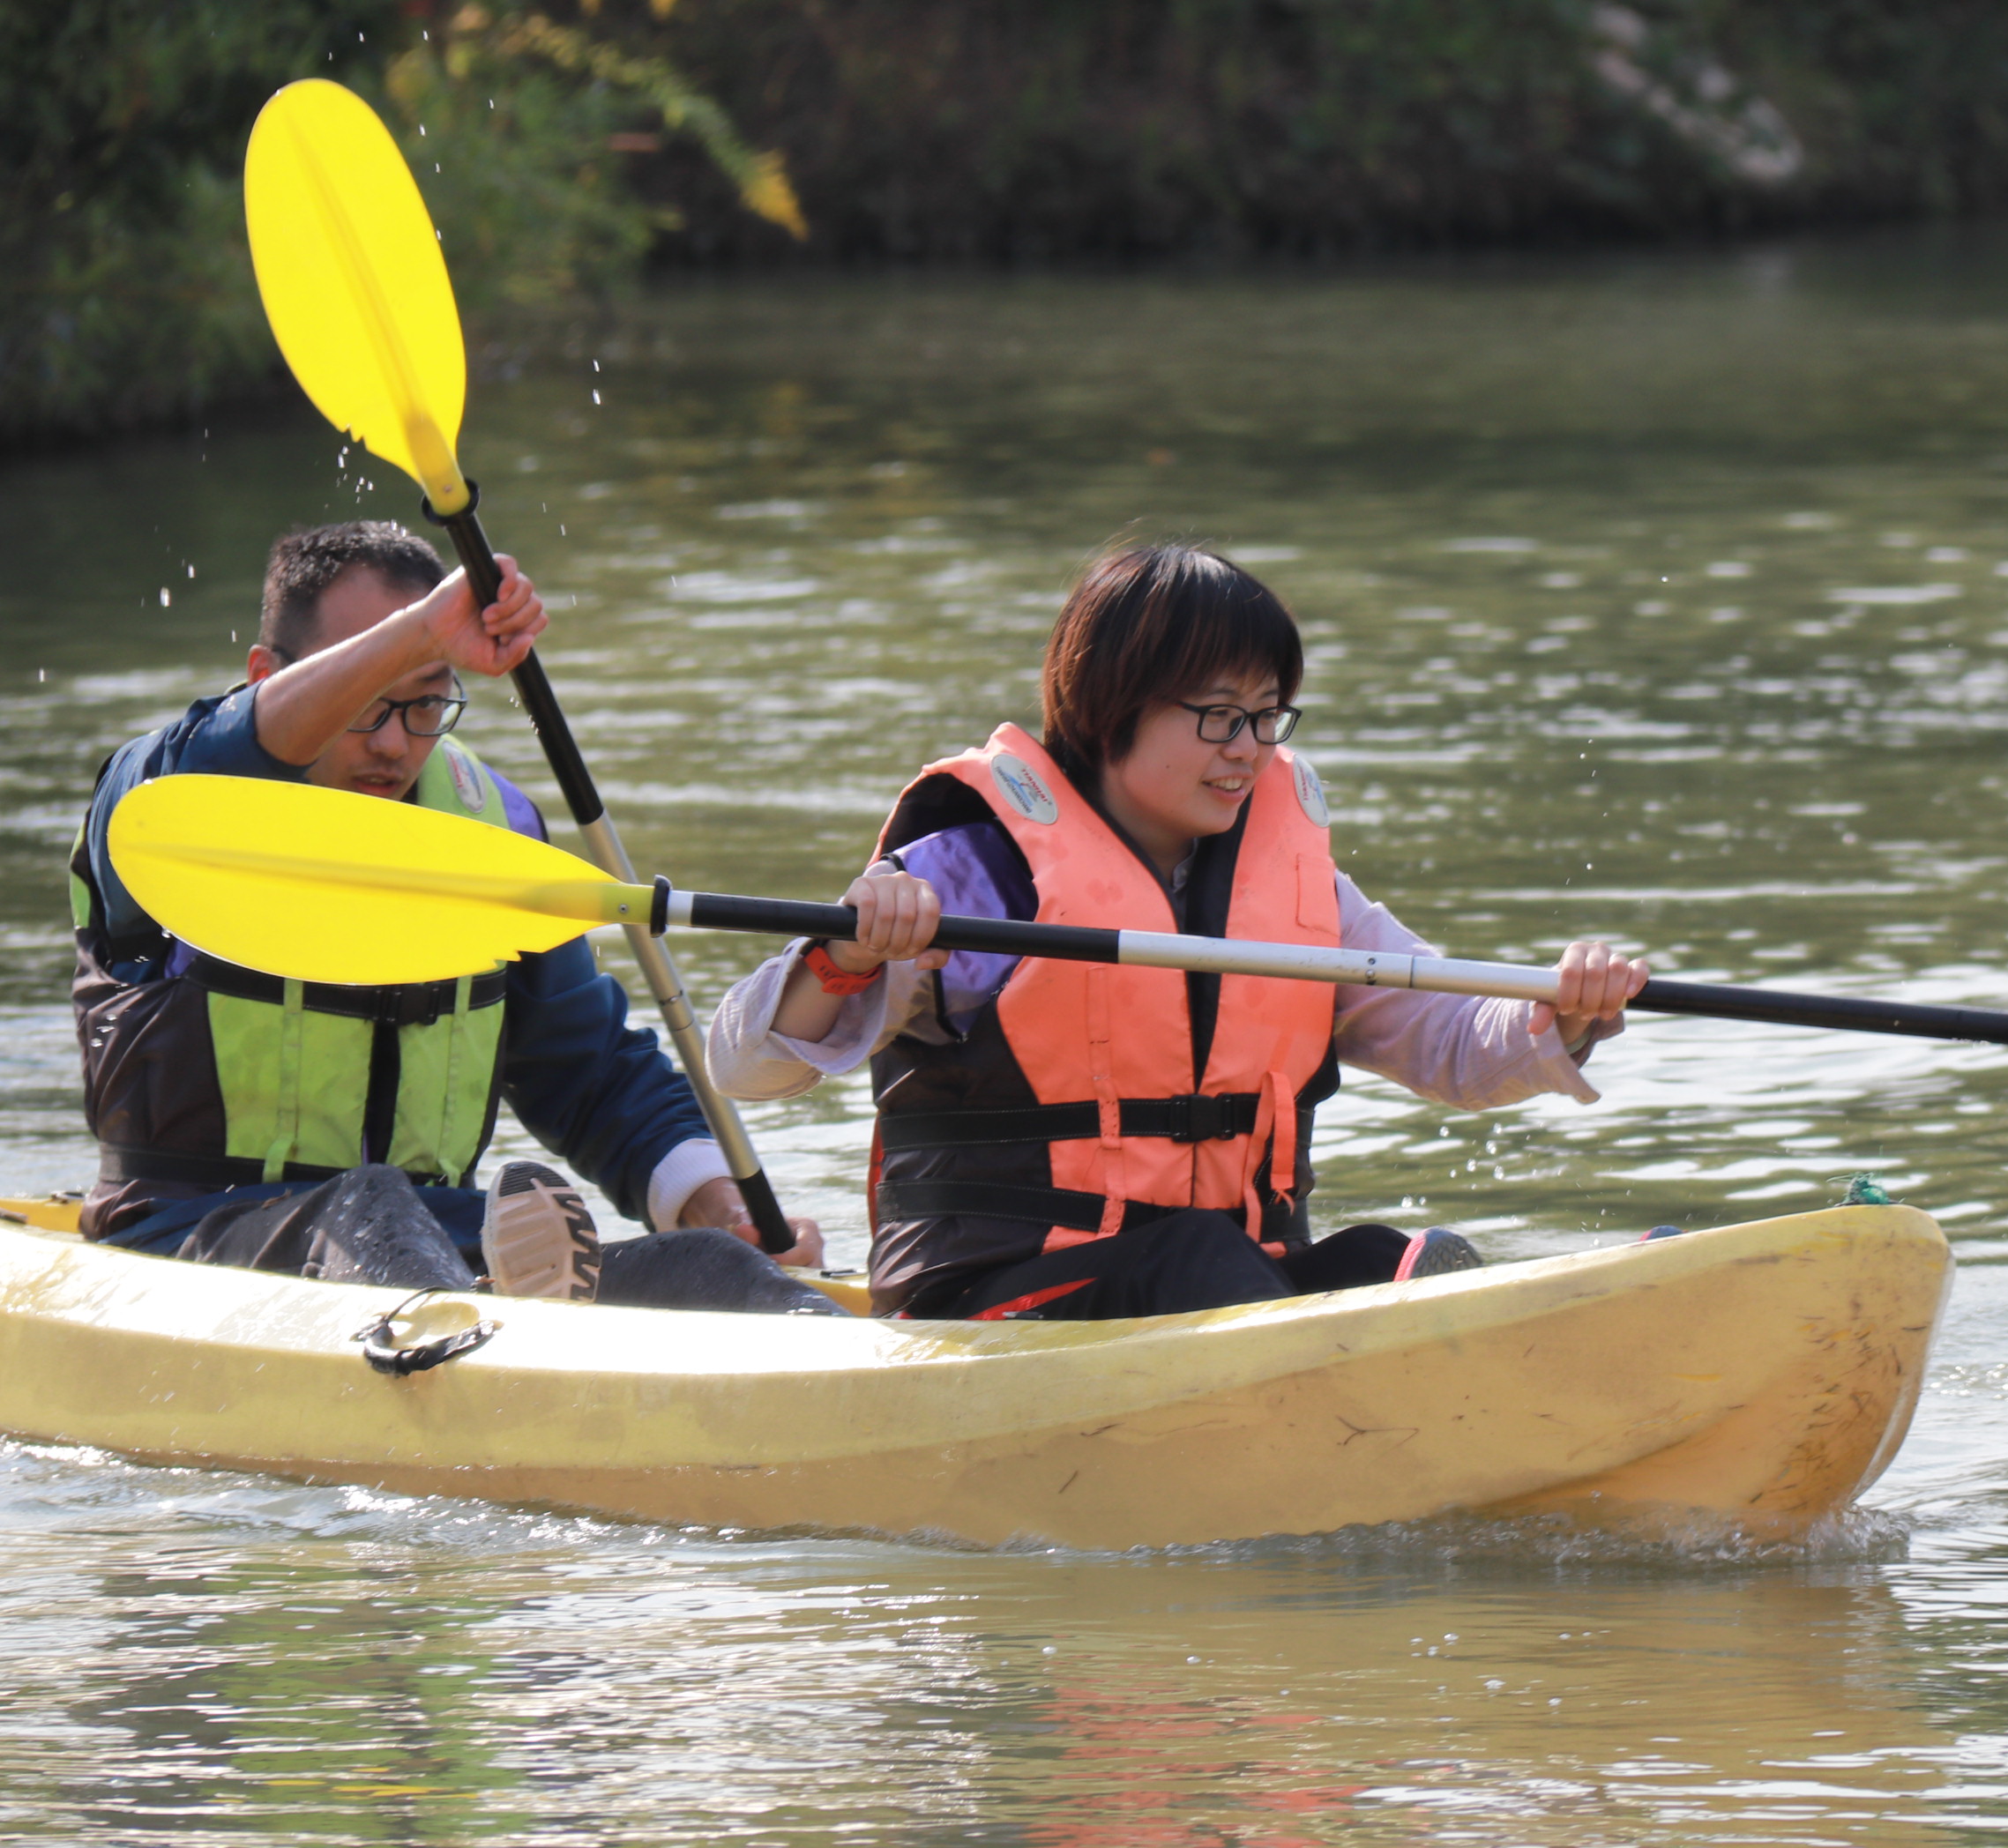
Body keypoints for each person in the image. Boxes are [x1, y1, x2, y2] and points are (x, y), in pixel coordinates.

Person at [705, 542, 1648, 1321]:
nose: (1247, 749)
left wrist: (1558, 1013)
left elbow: (1448, 1041)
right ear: (1111, 704)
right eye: (1216, 716)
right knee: (1195, 1257)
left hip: (1218, 1298)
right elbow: (747, 1066)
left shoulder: (1301, 890)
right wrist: (848, 955)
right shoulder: (970, 877)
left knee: (1387, 1261)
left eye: (1266, 715)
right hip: (990, 1304)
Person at [69, 518, 839, 1315]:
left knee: (711, 1267)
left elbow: (589, 1072)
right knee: (367, 1206)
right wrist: (417, 635)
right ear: (267, 673)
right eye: (370, 701)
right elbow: (209, 757)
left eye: (427, 704)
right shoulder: (163, 805)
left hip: (438, 1242)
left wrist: (720, 1205)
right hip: (185, 1241)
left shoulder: (490, 834)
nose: (395, 747)